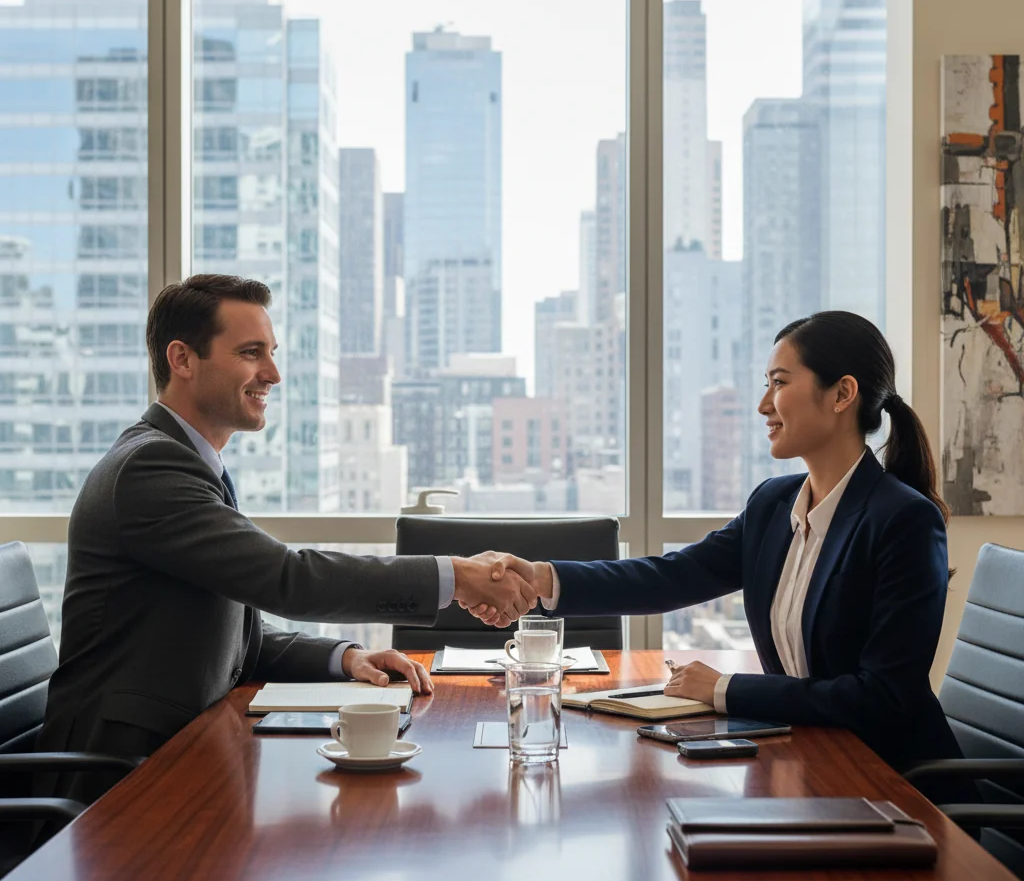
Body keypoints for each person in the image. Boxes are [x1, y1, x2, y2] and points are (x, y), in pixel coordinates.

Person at [38, 273, 536, 803]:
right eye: (252, 353)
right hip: (121, 776)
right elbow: (287, 578)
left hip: (183, 751)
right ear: (182, 359)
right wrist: (454, 576)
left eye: (271, 353)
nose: (272, 374)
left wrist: (344, 658)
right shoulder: (150, 469)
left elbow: (229, 632)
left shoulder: (183, 462)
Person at [471, 311, 962, 773]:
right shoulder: (774, 505)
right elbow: (673, 577)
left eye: (780, 383)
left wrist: (725, 689)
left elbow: (883, 699)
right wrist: (541, 578)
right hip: (807, 758)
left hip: (891, 780)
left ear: (842, 393)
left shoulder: (903, 521)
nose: (763, 404)